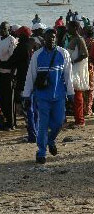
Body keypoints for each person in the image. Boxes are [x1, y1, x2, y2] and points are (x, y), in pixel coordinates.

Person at [22, 28, 74, 164]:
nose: (51, 39)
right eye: (48, 37)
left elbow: (68, 76)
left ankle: (50, 140)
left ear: (56, 38)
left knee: (58, 123)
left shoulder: (64, 54)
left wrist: (71, 93)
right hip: (42, 96)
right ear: (44, 39)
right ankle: (41, 152)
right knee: (43, 124)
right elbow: (30, 76)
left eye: (53, 37)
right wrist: (26, 95)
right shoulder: (37, 55)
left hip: (59, 96)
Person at [0, 26, 37, 140]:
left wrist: (1, 65)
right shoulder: (31, 45)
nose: (17, 36)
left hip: (22, 78)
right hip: (31, 77)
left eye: (19, 35)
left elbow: (11, 62)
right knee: (31, 105)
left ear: (22, 36)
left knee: (26, 106)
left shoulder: (21, 47)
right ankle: (33, 130)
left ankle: (32, 133)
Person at [66, 21, 89, 128]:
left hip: (77, 71)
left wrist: (73, 62)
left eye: (69, 27)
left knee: (77, 96)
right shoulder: (74, 39)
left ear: (75, 28)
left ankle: (80, 121)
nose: (68, 29)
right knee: (75, 96)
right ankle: (77, 119)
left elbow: (85, 54)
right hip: (73, 69)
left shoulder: (79, 39)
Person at [0, 22, 17, 130]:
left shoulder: (11, 40)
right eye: (1, 28)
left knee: (9, 100)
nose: (2, 30)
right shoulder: (0, 39)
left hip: (8, 74)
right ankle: (5, 121)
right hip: (0, 73)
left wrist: (13, 75)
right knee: (2, 99)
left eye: (4, 28)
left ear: (8, 29)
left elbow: (13, 60)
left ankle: (11, 123)